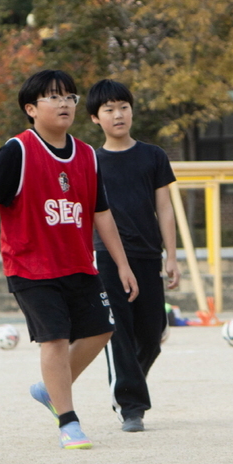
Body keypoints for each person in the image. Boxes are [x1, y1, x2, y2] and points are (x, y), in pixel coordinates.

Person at [0, 70, 138, 450]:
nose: (64, 104)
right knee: (54, 339)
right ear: (30, 108)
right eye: (54, 98)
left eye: (70, 97)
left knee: (102, 330)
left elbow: (100, 214)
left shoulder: (87, 155)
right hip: (31, 268)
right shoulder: (17, 151)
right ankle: (68, 422)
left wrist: (122, 264)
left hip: (78, 264)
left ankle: (49, 388)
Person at [86, 79, 180, 433]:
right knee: (119, 331)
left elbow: (165, 208)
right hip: (108, 257)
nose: (118, 114)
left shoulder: (153, 155)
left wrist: (171, 256)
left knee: (152, 332)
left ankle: (129, 382)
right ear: (96, 118)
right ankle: (131, 405)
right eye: (108, 109)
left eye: (123, 106)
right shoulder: (90, 161)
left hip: (147, 254)